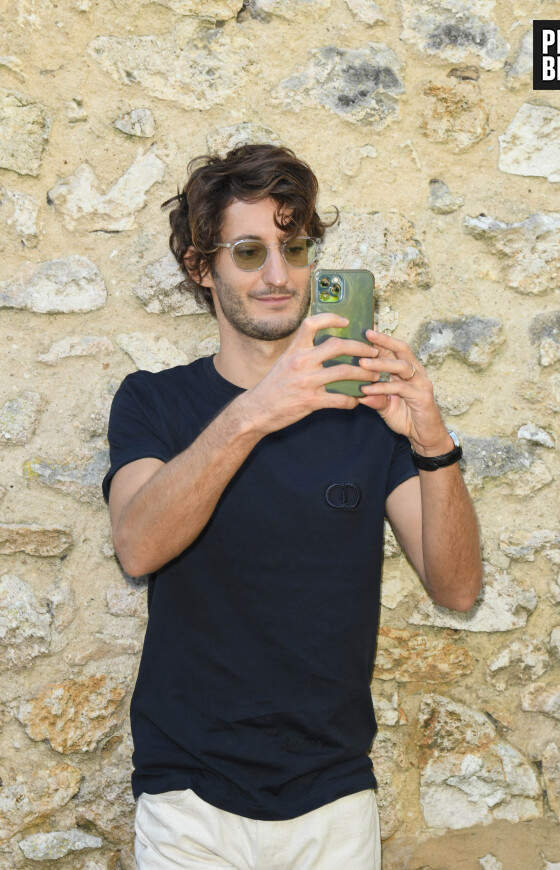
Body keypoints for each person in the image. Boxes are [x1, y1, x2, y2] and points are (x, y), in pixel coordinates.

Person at [103, 144, 482, 870]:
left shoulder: (367, 415)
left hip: (334, 799)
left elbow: (458, 587)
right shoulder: (154, 401)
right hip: (189, 800)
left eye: (294, 246)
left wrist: (433, 440)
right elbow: (138, 546)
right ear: (199, 267)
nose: (278, 275)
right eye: (249, 252)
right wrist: (258, 411)